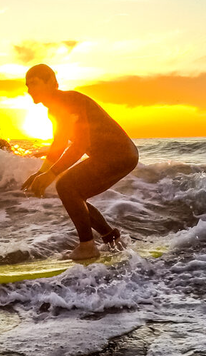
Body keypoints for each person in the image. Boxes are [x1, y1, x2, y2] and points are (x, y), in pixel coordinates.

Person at [20, 63, 139, 261]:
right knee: (74, 193)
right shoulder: (54, 110)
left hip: (118, 154)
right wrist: (41, 172)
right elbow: (59, 144)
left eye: (34, 83)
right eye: (27, 85)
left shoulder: (70, 100)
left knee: (66, 186)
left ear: (52, 82)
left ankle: (87, 246)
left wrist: (51, 174)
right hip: (118, 155)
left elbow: (80, 145)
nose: (29, 89)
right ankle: (112, 239)